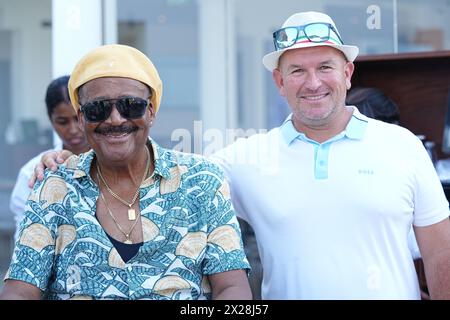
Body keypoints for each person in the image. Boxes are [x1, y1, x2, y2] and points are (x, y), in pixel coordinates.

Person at [29, 12, 450, 300]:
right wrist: (73, 160)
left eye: (325, 67)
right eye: (297, 71)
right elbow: (153, 175)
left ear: (347, 73)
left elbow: (440, 254)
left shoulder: (402, 146)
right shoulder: (246, 158)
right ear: (279, 81)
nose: (313, 83)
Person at [0, 44, 251, 300]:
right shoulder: (54, 188)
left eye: (131, 105)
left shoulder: (202, 181)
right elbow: (19, 291)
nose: (116, 119)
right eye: (98, 108)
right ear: (81, 117)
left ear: (151, 111)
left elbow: (231, 288)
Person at [9, 76, 90, 242]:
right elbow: (25, 238)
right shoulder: (32, 172)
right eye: (63, 122)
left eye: (78, 119)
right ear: (51, 120)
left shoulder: (112, 163)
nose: (73, 129)